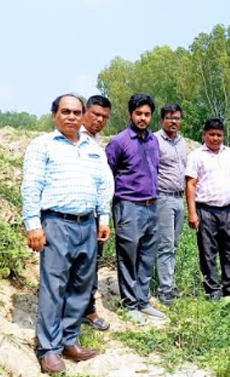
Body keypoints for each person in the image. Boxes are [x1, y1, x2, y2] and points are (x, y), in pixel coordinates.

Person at [21, 94, 112, 375]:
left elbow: (101, 185)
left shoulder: (91, 147)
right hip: (56, 223)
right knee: (54, 287)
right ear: (54, 115)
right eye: (65, 111)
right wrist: (33, 224)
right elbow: (31, 185)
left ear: (82, 115)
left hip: (87, 224)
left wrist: (104, 217)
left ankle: (69, 340)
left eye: (76, 112)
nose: (71, 116)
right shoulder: (43, 145)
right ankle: (48, 350)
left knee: (81, 286)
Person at [105, 93, 165, 324]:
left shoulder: (153, 141)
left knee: (147, 256)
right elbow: (108, 174)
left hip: (151, 206)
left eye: (147, 114)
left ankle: (143, 301)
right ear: (130, 114)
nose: (142, 118)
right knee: (128, 256)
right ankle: (129, 304)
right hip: (128, 206)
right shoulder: (119, 142)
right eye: (138, 113)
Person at [185, 117, 230, 300]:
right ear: (204, 135)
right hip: (206, 211)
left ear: (223, 136)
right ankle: (212, 290)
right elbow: (191, 185)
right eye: (211, 134)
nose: (215, 138)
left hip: (227, 210)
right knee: (208, 252)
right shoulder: (196, 156)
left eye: (219, 135)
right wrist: (192, 213)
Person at [79, 95, 113, 331]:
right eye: (95, 114)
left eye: (104, 117)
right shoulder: (74, 141)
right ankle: (72, 312)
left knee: (91, 265)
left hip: (94, 215)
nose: (99, 120)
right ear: (84, 113)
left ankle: (87, 310)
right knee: (75, 266)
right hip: (74, 216)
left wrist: (104, 217)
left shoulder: (96, 142)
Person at [154, 104, 188, 306]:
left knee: (174, 243)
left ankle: (170, 282)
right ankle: (165, 289)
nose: (173, 121)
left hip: (179, 198)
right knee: (165, 244)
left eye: (177, 118)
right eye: (169, 118)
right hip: (163, 197)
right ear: (162, 120)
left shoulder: (182, 142)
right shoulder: (155, 140)